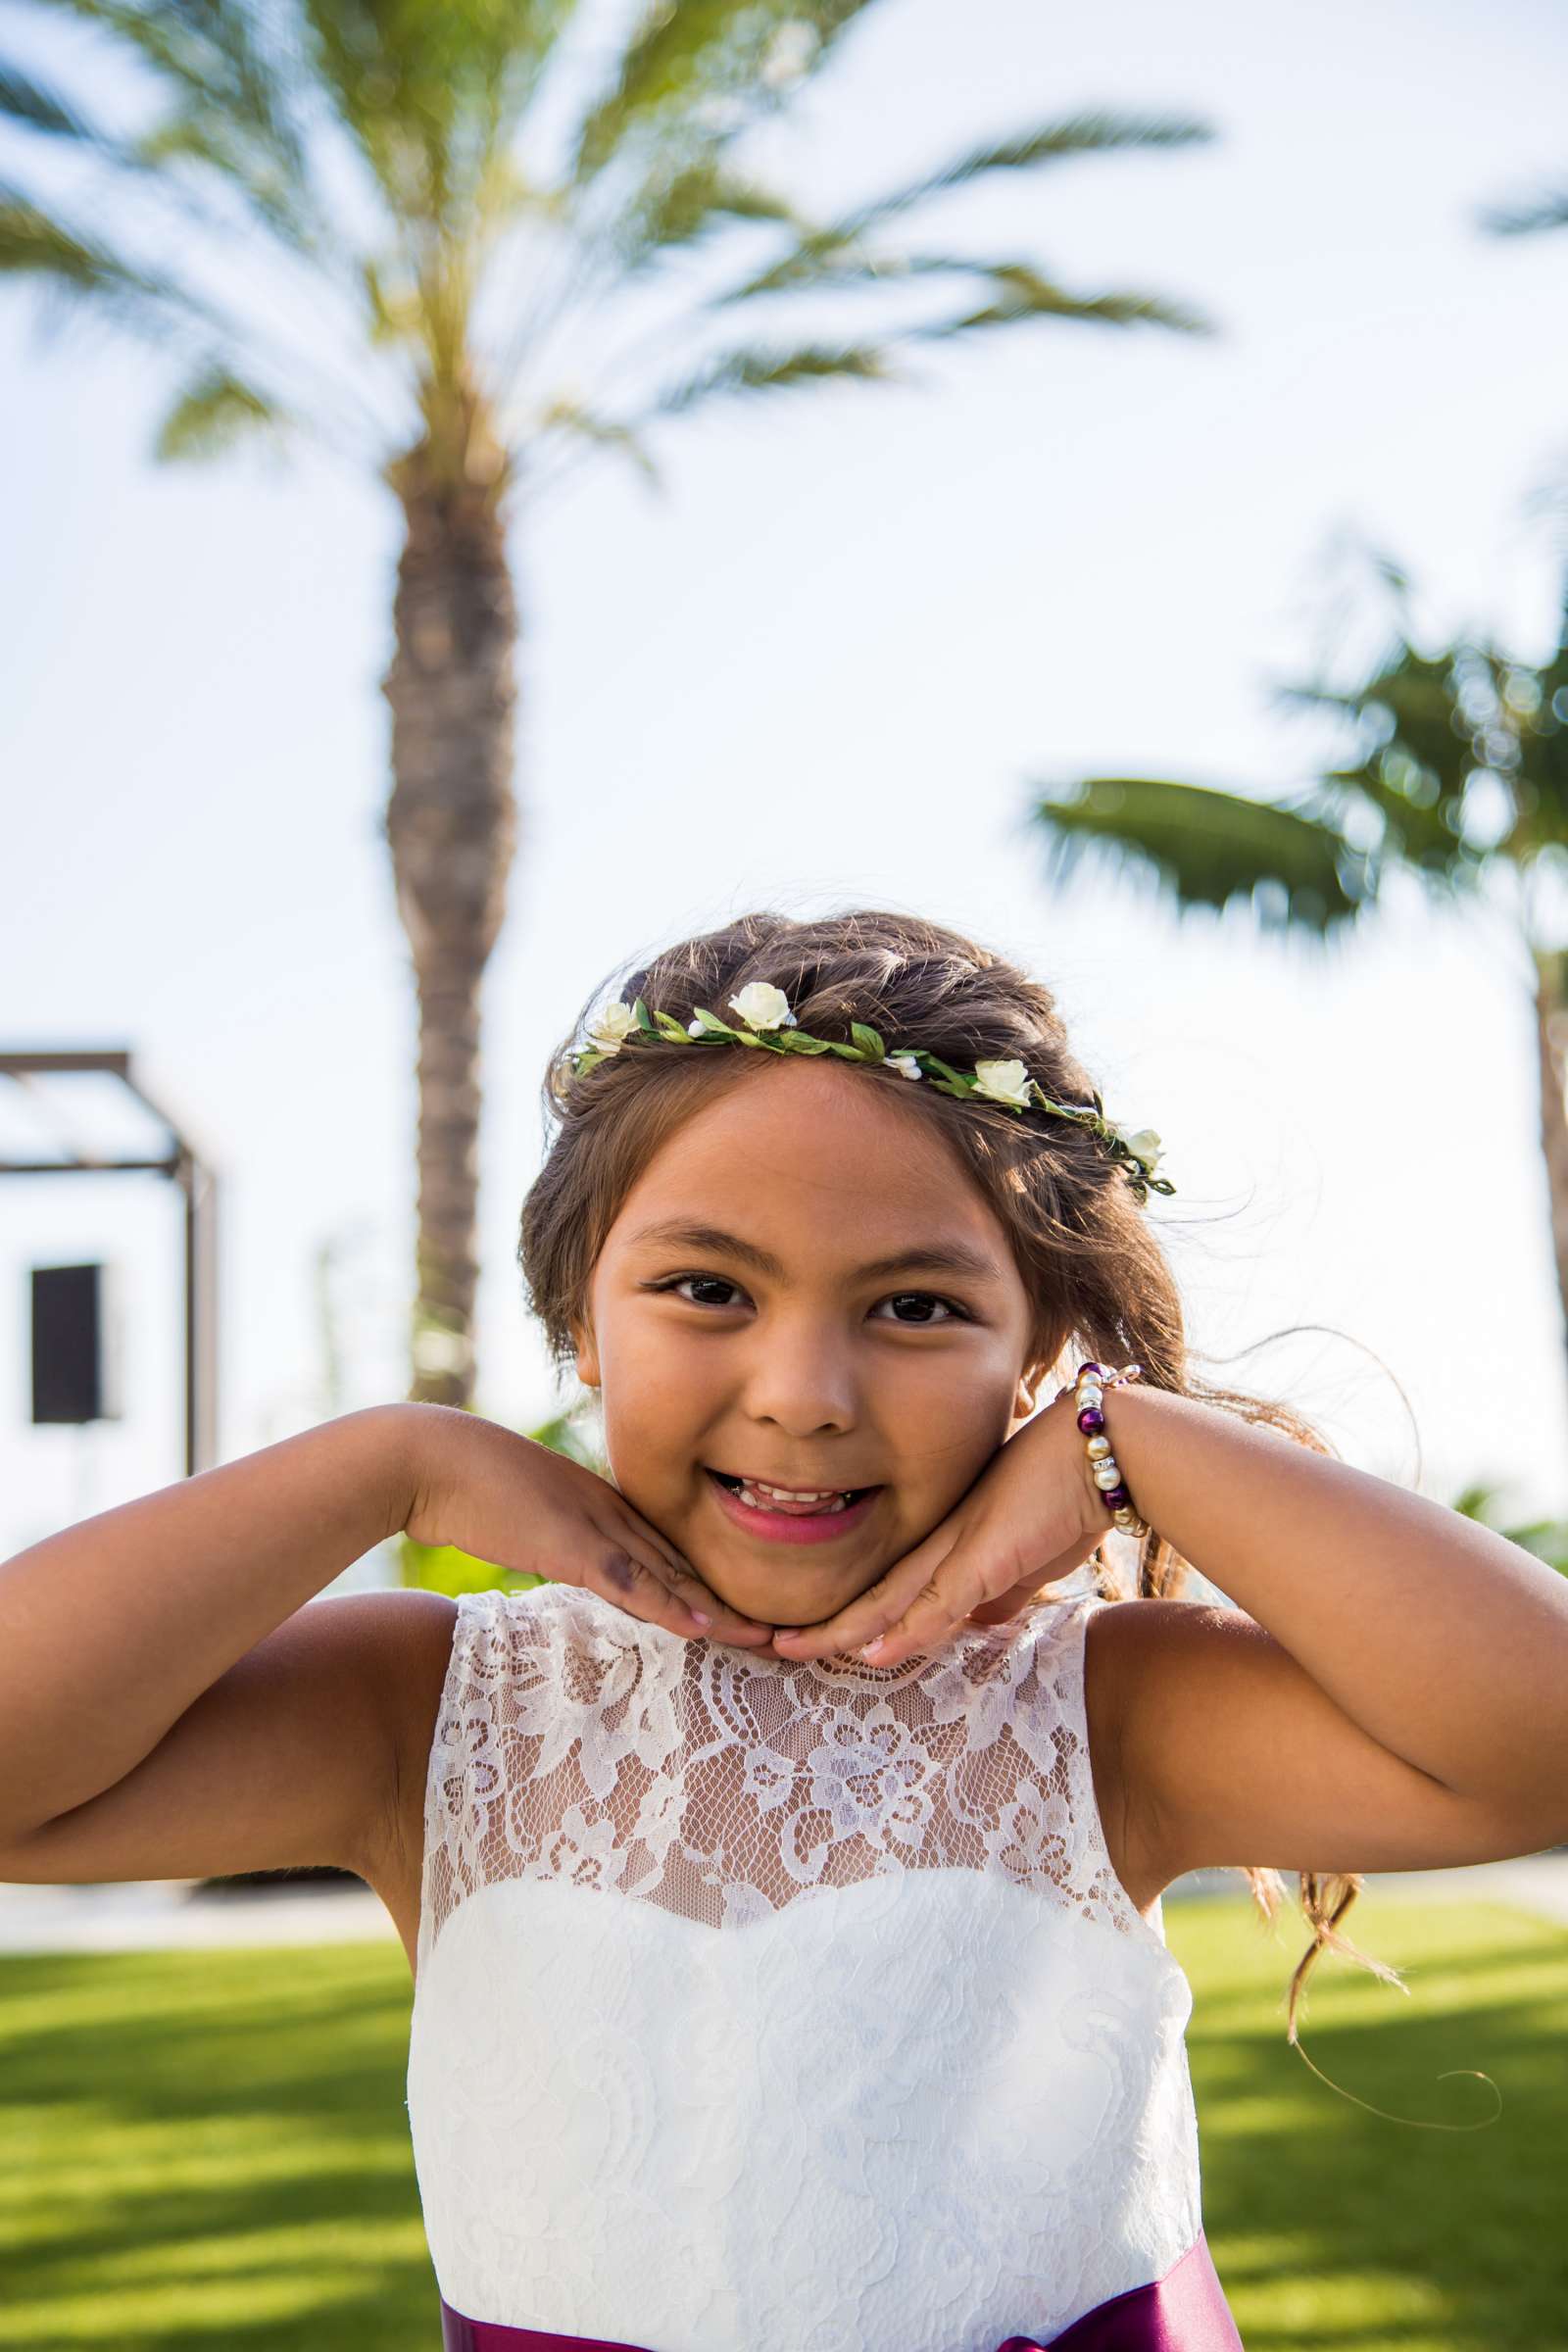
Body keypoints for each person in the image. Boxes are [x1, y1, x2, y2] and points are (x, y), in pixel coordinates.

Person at [5, 906, 1566, 2352]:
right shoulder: (437, 1710)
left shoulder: (1098, 1709)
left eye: (916, 1309)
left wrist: (1133, 1445)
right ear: (579, 1323)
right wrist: (384, 1462)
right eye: (705, 1288)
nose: (804, 1394)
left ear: (1036, 1354)